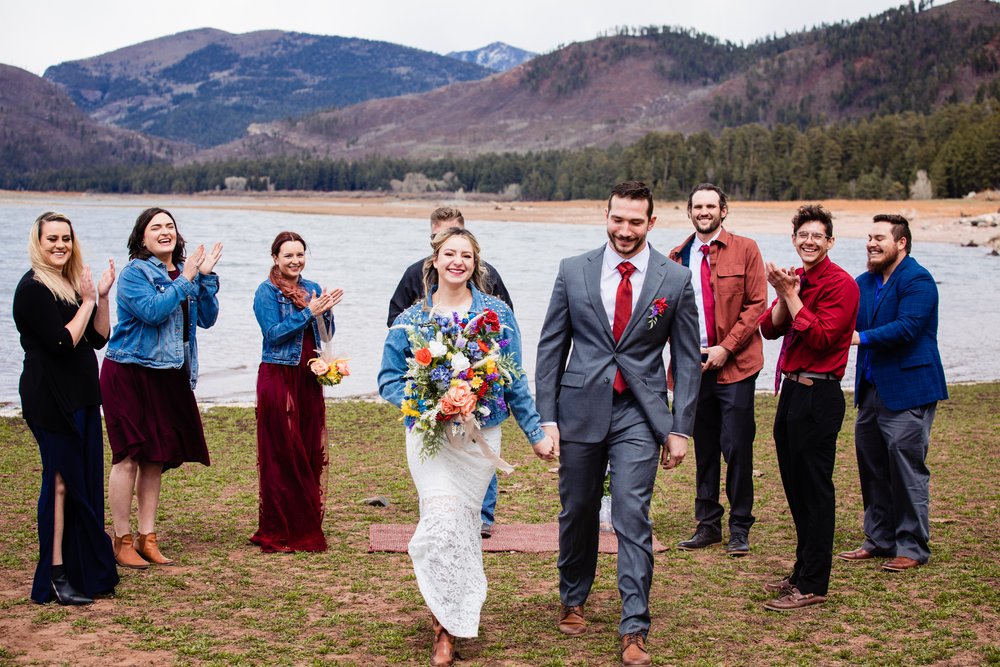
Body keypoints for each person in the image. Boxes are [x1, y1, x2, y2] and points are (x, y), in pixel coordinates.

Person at [535, 181, 701, 667]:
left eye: (635, 221)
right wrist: (547, 419)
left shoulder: (674, 279)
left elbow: (687, 359)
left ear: (651, 223)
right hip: (580, 407)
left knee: (632, 514)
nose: (624, 230)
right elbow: (551, 347)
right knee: (578, 508)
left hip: (640, 413)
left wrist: (680, 427)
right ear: (605, 216)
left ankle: (634, 626)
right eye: (617, 219)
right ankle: (573, 595)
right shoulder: (573, 271)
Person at [378, 228, 555, 667]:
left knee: (462, 525)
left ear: (476, 263)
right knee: (439, 519)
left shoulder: (495, 314)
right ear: (434, 261)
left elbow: (514, 380)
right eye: (449, 254)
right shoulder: (412, 318)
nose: (458, 262)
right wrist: (430, 401)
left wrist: (535, 434)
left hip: (480, 438)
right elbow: (386, 380)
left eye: (467, 256)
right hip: (429, 438)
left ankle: (452, 618)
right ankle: (443, 627)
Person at [101, 207, 222, 569]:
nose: (165, 231)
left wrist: (206, 277)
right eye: (156, 227)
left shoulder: (184, 273)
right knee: (127, 457)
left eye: (170, 226)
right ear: (142, 238)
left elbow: (207, 319)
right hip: (128, 371)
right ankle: (121, 540)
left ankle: (147, 537)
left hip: (169, 373)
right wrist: (186, 278)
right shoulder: (134, 274)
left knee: (154, 457)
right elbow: (153, 312)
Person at [387, 206, 513, 539]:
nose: (456, 259)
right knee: (438, 486)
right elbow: (396, 326)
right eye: (443, 246)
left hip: (479, 399)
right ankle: (437, 514)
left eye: (463, 252)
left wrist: (484, 377)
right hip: (431, 394)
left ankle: (481, 515)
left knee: (477, 459)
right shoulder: (414, 281)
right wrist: (422, 373)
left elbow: (505, 332)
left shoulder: (491, 288)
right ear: (434, 250)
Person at [13, 212, 120, 605]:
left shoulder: (70, 283)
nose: (60, 245)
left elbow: (97, 337)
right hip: (50, 397)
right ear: (37, 243)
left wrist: (101, 298)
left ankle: (83, 568)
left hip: (83, 396)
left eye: (66, 239)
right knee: (60, 482)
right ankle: (54, 575)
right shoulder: (32, 289)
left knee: (83, 480)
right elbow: (61, 343)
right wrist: (88, 301)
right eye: (51, 239)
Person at [759, 204, 859, 611]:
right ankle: (802, 572)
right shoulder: (796, 279)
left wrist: (789, 295)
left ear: (830, 241)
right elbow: (768, 328)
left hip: (820, 395)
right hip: (791, 395)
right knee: (796, 489)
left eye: (818, 235)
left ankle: (815, 583)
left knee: (816, 492)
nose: (809, 241)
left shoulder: (842, 284)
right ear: (794, 238)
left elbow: (819, 338)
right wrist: (785, 293)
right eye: (803, 235)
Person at [836, 215, 947, 572]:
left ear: (901, 243)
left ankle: (912, 547)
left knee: (905, 469)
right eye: (869, 237)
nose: (871, 243)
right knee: (872, 467)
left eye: (879, 237)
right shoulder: (863, 282)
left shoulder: (918, 279)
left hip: (909, 389)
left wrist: (859, 338)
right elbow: (841, 318)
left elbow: (908, 328)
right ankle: (879, 539)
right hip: (870, 390)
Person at [669, 183, 766, 556]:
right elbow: (665, 311)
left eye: (711, 206)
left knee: (737, 446)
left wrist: (727, 347)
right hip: (694, 367)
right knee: (705, 447)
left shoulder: (746, 249)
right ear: (689, 212)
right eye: (698, 206)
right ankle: (707, 524)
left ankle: (740, 526)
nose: (704, 212)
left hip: (737, 365)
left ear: (723, 210)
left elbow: (757, 304)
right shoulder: (677, 256)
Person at [251, 231, 344, 553]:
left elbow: (325, 334)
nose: (295, 261)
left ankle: (305, 521)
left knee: (307, 449)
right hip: (277, 374)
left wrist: (326, 312)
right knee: (281, 452)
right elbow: (273, 335)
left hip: (308, 374)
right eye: (288, 255)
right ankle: (278, 528)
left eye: (300, 254)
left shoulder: (313, 288)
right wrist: (310, 312)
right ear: (275, 257)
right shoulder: (265, 292)